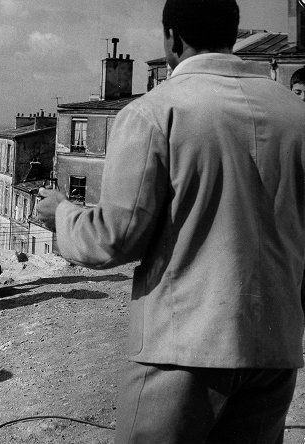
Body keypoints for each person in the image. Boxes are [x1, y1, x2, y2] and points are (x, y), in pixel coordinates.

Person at [36, 0, 305, 442]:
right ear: (232, 35)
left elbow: (115, 239)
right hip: (273, 353)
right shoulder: (295, 115)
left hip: (183, 349)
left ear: (173, 39)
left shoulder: (153, 113)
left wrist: (61, 213)